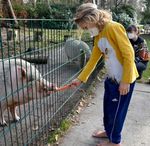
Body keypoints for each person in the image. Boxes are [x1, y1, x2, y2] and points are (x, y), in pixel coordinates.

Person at [70, 3, 139, 146]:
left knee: (117, 112)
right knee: (108, 109)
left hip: (123, 81)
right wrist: (80, 79)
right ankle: (109, 131)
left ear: (91, 18)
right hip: (111, 79)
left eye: (85, 26)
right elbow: (93, 59)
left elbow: (129, 54)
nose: (85, 29)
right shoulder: (98, 34)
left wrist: (125, 81)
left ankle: (115, 141)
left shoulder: (113, 28)